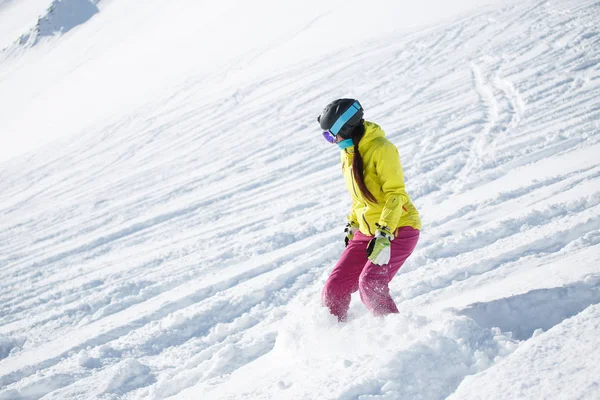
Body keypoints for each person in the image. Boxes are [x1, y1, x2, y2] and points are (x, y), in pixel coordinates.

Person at [318, 98, 421, 321]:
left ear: (345, 128)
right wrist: (353, 222)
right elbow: (360, 197)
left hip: (398, 228)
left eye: (330, 135)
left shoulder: (382, 149)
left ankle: (398, 337)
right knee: (334, 288)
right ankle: (334, 339)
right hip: (368, 231)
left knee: (370, 284)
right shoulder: (348, 152)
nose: (331, 141)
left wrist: (384, 233)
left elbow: (395, 194)